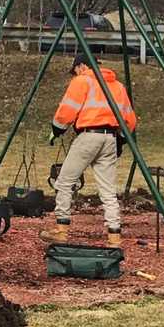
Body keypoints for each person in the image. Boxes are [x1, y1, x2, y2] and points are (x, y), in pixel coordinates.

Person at [39, 52, 136, 247]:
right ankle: (114, 236)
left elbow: (67, 110)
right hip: (110, 138)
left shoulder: (82, 81)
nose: (74, 74)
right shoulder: (118, 86)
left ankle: (61, 230)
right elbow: (130, 119)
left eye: (74, 70)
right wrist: (121, 140)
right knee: (108, 190)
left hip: (88, 136)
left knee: (64, 182)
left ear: (81, 66)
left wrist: (56, 130)